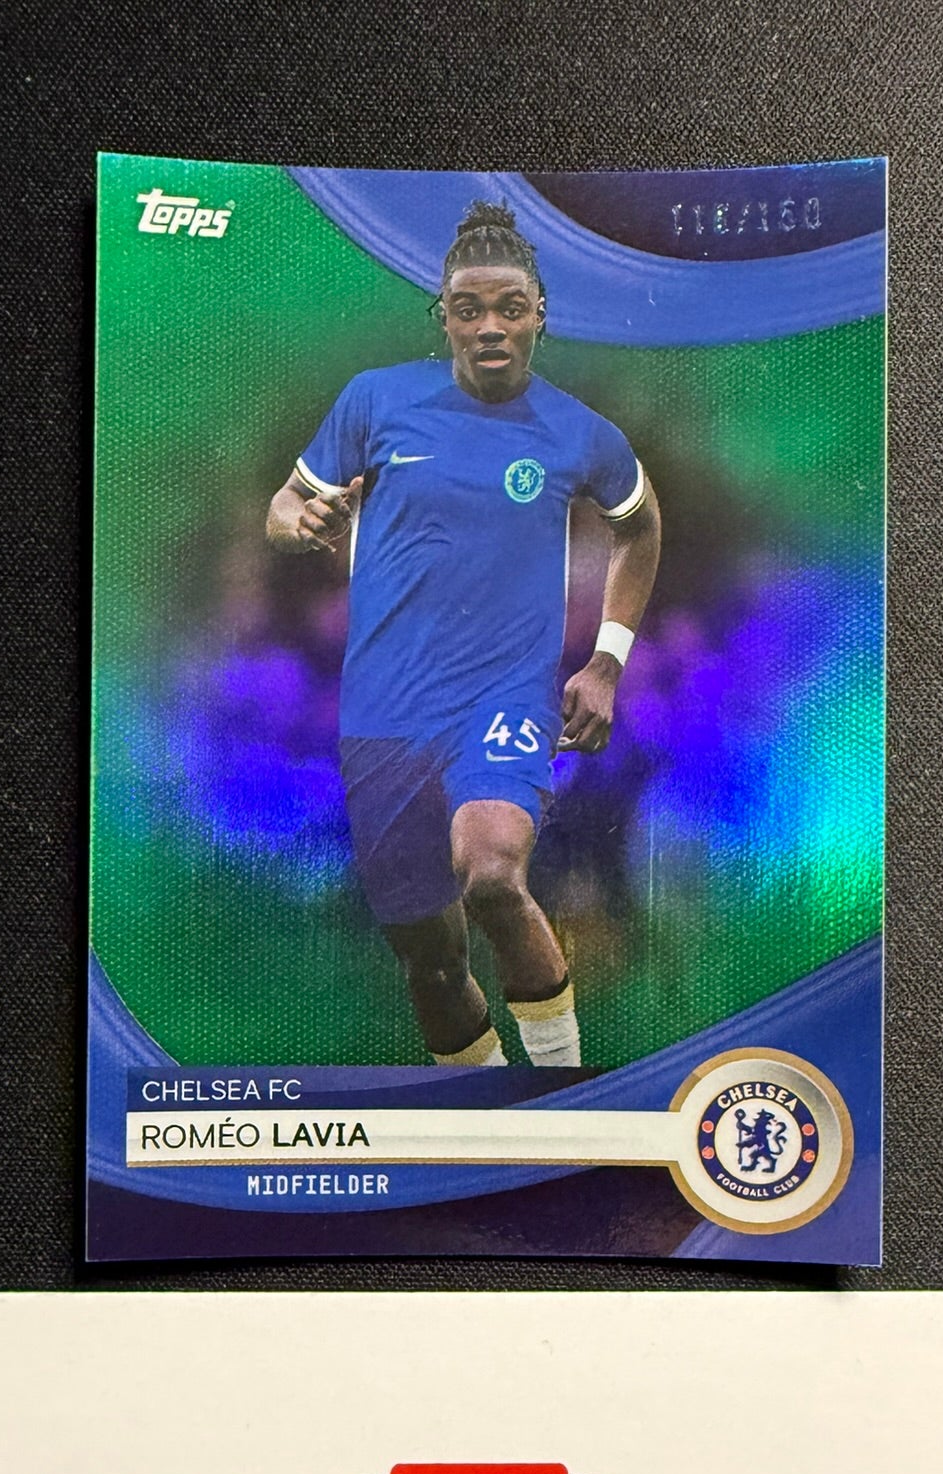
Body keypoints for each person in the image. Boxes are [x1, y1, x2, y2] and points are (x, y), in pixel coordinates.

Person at [266, 201, 661, 1066]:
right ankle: (483, 1105)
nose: (490, 327)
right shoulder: (376, 400)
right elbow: (287, 506)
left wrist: (607, 661)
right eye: (469, 309)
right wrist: (302, 523)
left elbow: (639, 523)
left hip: (503, 695)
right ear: (442, 315)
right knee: (433, 965)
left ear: (539, 315)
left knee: (492, 877)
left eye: (510, 309)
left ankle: (560, 1095)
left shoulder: (577, 432)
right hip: (385, 710)